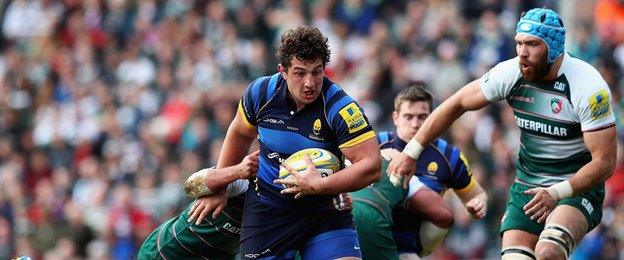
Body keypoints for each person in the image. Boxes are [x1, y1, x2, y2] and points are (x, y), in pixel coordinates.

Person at [387, 8, 616, 260]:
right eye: (518, 43)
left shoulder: (588, 86)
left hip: (575, 187)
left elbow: (605, 163)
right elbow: (457, 103)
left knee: (549, 251)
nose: (522, 53)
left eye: (532, 44)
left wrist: (558, 192)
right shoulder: (512, 72)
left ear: (553, 48)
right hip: (529, 186)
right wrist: (411, 152)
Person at [211, 25, 381, 259]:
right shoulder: (260, 93)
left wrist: (321, 186)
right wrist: (222, 184)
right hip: (268, 210)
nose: (310, 82)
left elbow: (372, 165)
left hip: (325, 210)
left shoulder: (341, 108)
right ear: (283, 71)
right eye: (300, 73)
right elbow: (239, 134)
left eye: (317, 71)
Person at [379, 85, 488, 259]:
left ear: (433, 118)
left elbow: (477, 195)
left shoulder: (450, 157)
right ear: (395, 118)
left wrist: (478, 204)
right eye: (408, 117)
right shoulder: (377, 145)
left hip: (415, 249)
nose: (415, 124)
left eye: (422, 117)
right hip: (373, 240)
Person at [137, 151, 259, 259]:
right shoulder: (244, 182)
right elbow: (190, 186)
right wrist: (236, 172)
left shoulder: (276, 208)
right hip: (169, 251)